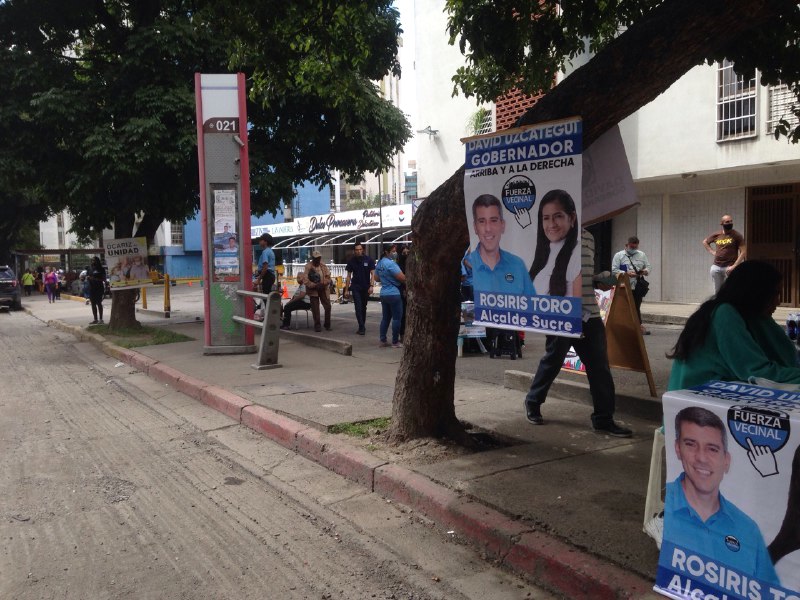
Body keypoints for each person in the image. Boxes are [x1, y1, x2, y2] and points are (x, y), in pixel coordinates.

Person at [523, 229, 633, 437]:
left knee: (600, 368)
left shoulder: (590, 237)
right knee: (553, 360)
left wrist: (598, 280)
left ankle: (603, 419)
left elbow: (584, 274)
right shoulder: (552, 234)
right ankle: (533, 401)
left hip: (589, 314)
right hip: (561, 313)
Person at [664, 406, 780, 586]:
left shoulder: (749, 530)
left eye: (712, 449)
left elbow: (769, 592)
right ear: (677, 449)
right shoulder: (661, 505)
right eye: (691, 444)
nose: (701, 457)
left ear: (726, 460)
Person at [667, 260, 800, 390]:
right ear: (757, 293)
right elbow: (756, 371)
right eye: (775, 294)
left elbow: (787, 355)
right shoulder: (725, 314)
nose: (778, 302)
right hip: (699, 396)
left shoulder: (753, 315)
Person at [467, 194, 536, 297]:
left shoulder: (518, 265)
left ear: (502, 225)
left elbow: (532, 308)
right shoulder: (467, 264)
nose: (488, 229)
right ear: (475, 227)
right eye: (482, 221)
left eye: (493, 220)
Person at [528, 189, 581, 297]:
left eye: (558, 216)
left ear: (572, 218)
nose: (551, 224)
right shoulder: (542, 255)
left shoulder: (577, 253)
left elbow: (576, 309)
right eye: (546, 218)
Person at [611, 236, 652, 335]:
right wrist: (626, 273)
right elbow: (614, 270)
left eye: (635, 247)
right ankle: (623, 327)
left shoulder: (642, 255)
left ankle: (638, 327)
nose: (633, 249)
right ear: (626, 245)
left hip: (637, 284)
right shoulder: (619, 255)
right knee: (624, 306)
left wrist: (645, 271)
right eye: (631, 247)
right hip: (623, 285)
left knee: (636, 305)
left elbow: (648, 266)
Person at [703, 214, 746, 294]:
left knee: (731, 290)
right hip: (716, 266)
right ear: (722, 223)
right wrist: (712, 252)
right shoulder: (717, 235)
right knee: (718, 292)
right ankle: (719, 305)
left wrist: (734, 266)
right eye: (727, 222)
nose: (730, 223)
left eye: (731, 221)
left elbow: (743, 252)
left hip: (730, 267)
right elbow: (705, 242)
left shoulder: (737, 235)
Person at [375, 243, 406, 348]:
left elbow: (376, 278)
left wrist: (385, 278)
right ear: (387, 252)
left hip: (384, 293)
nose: (395, 253)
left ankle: (382, 340)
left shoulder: (380, 263)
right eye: (393, 251)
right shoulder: (391, 264)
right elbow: (402, 278)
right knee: (397, 318)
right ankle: (395, 341)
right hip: (394, 293)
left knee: (385, 318)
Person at [343, 242, 375, 335]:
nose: (358, 251)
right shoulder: (351, 261)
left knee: (363, 307)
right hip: (355, 287)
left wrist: (372, 286)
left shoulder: (369, 260)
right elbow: (348, 276)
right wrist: (346, 290)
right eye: (356, 250)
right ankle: (361, 327)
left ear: (363, 250)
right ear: (354, 251)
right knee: (358, 307)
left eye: (360, 249)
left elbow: (373, 274)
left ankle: (362, 326)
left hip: (366, 287)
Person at [304, 250, 332, 332]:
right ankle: (317, 325)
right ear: (313, 258)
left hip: (323, 288)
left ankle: (327, 324)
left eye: (318, 258)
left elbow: (328, 277)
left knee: (328, 306)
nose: (317, 260)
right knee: (315, 308)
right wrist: (314, 285)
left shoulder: (323, 265)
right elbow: (305, 280)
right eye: (315, 258)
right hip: (313, 290)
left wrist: (323, 283)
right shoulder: (308, 266)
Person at [87, 257, 107, 324]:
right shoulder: (89, 269)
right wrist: (88, 278)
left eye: (94, 260)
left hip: (99, 288)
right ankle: (95, 319)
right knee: (93, 304)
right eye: (92, 260)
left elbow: (104, 279)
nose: (93, 262)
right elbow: (87, 277)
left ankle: (101, 319)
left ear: (97, 261)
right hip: (91, 288)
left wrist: (95, 279)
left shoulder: (101, 269)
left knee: (99, 303)